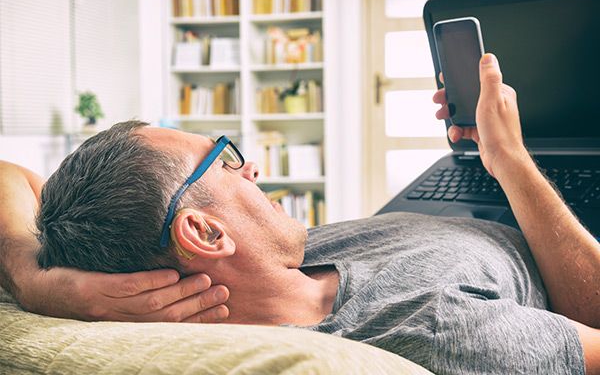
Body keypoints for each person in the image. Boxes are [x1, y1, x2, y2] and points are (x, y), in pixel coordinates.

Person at [0, 54, 598, 374]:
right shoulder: (437, 331)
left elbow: (7, 174)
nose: (251, 168)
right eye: (224, 158)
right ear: (204, 232)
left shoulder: (272, 263)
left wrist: (32, 279)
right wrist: (512, 163)